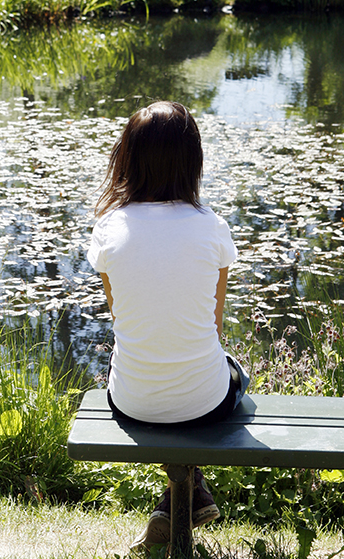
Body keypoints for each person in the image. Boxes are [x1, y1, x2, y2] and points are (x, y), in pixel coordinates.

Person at [86, 101, 250, 553]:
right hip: (206, 399)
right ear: (192, 162)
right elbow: (212, 325)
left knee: (156, 367)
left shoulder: (109, 228)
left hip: (131, 401)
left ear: (128, 158)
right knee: (235, 374)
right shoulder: (212, 227)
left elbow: (123, 315)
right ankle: (189, 491)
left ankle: (174, 502)